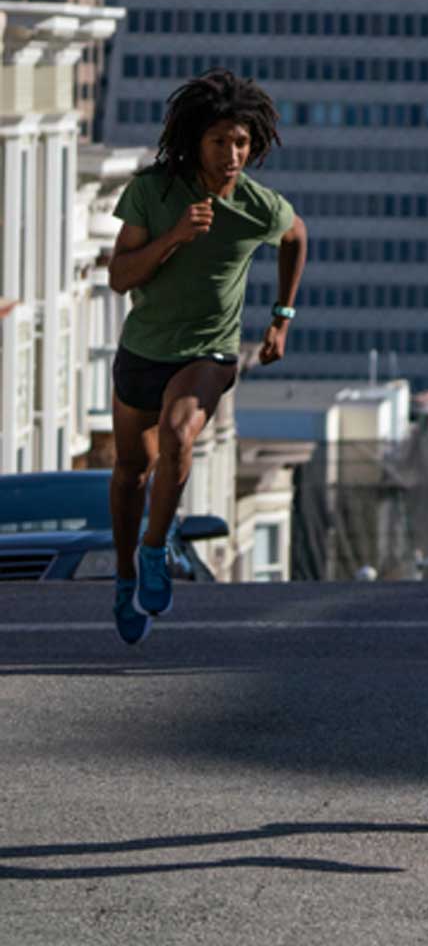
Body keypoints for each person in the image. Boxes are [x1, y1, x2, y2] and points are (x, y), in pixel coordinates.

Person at [107, 69, 307, 645]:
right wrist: (173, 238)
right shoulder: (153, 192)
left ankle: (152, 551)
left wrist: (281, 318)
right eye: (220, 141)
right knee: (129, 474)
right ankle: (124, 578)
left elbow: (296, 236)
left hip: (210, 353)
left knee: (178, 434)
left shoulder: (256, 206)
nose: (231, 153)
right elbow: (120, 277)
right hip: (144, 350)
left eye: (241, 142)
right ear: (197, 141)